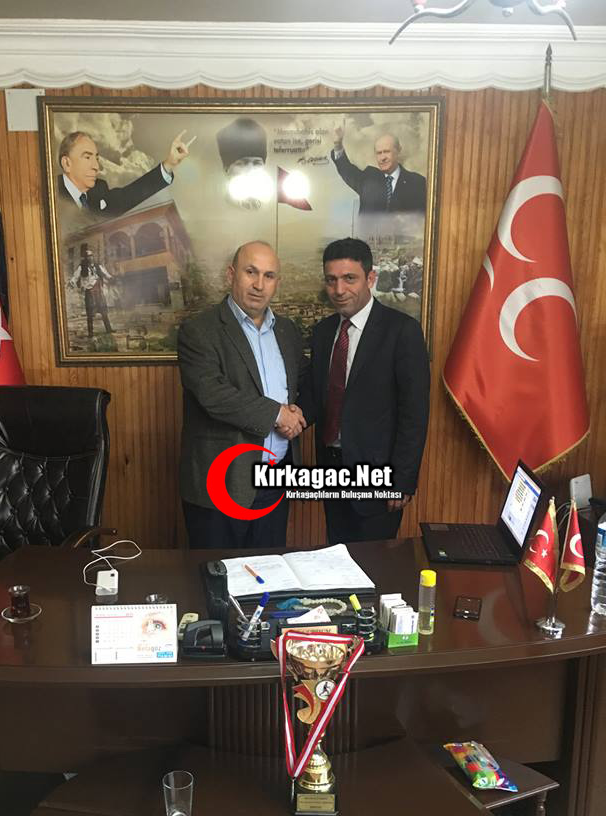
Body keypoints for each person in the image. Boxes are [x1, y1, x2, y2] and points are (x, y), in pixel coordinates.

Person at [299, 237, 430, 544]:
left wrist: (402, 481)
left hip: (379, 477)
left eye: (349, 278)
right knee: (336, 556)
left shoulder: (402, 331)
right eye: (331, 280)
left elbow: (414, 414)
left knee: (374, 563)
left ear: (371, 278)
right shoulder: (323, 332)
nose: (339, 289)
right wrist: (288, 416)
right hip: (331, 469)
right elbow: (318, 397)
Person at [178, 241, 306, 549]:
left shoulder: (287, 331)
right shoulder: (199, 330)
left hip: (275, 481)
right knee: (217, 574)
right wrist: (277, 414)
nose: (259, 285)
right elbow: (213, 395)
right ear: (231, 274)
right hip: (221, 483)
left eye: (269, 276)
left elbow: (300, 384)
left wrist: (297, 413)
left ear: (277, 282)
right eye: (251, 272)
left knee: (269, 572)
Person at [57, 129, 191, 217]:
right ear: (67, 163)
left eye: (96, 158)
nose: (96, 166)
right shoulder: (51, 194)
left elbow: (130, 195)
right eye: (87, 157)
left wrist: (169, 164)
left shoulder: (99, 189)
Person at [331, 129, 426, 214]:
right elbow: (346, 169)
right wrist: (338, 144)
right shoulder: (368, 179)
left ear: (398, 151)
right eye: (379, 153)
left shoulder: (417, 182)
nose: (382, 158)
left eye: (386, 152)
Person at [68, 246, 113, 337]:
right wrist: (71, 282)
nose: (90, 258)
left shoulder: (97, 266)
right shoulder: (82, 267)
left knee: (103, 310)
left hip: (98, 291)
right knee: (90, 312)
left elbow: (105, 273)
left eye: (91, 256)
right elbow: (75, 277)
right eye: (88, 256)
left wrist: (111, 278)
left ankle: (109, 329)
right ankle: (90, 333)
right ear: (85, 258)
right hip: (89, 291)